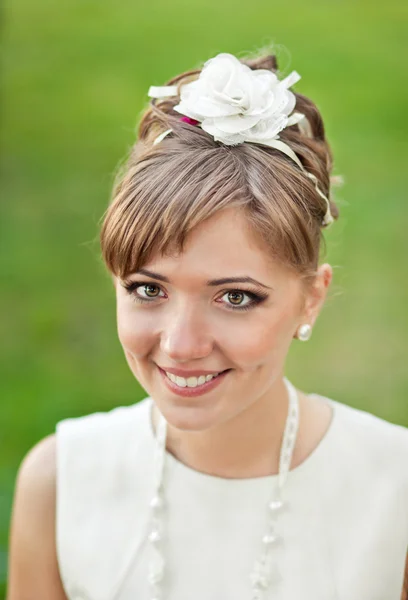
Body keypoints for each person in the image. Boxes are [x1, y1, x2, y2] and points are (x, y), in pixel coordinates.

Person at [6, 49, 408, 600]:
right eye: (149, 290)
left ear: (311, 299)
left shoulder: (396, 492)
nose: (181, 344)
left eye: (236, 297)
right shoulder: (59, 482)